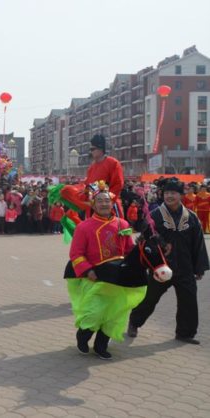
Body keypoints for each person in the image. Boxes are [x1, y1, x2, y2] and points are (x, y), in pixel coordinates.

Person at [128, 178, 209, 344]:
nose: (169, 196)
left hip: (185, 267)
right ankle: (135, 322)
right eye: (166, 193)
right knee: (150, 298)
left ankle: (185, 333)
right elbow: (144, 241)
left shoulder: (191, 217)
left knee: (189, 300)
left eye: (173, 193)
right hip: (161, 267)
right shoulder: (155, 216)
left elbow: (198, 243)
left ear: (181, 195)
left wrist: (198, 268)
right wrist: (155, 242)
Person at [67, 181, 137, 359]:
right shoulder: (84, 227)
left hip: (117, 277)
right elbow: (76, 254)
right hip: (95, 277)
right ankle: (83, 337)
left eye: (107, 200)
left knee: (114, 315)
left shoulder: (122, 224)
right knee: (94, 313)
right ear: (93, 204)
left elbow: (129, 250)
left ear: (112, 203)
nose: (104, 204)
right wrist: (88, 271)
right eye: (100, 201)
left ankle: (101, 346)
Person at [85, 134, 124, 217]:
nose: (91, 152)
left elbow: (118, 185)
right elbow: (87, 187)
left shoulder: (113, 163)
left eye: (93, 149)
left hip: (109, 209)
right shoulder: (91, 168)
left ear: (101, 149)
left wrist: (106, 202)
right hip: (93, 209)